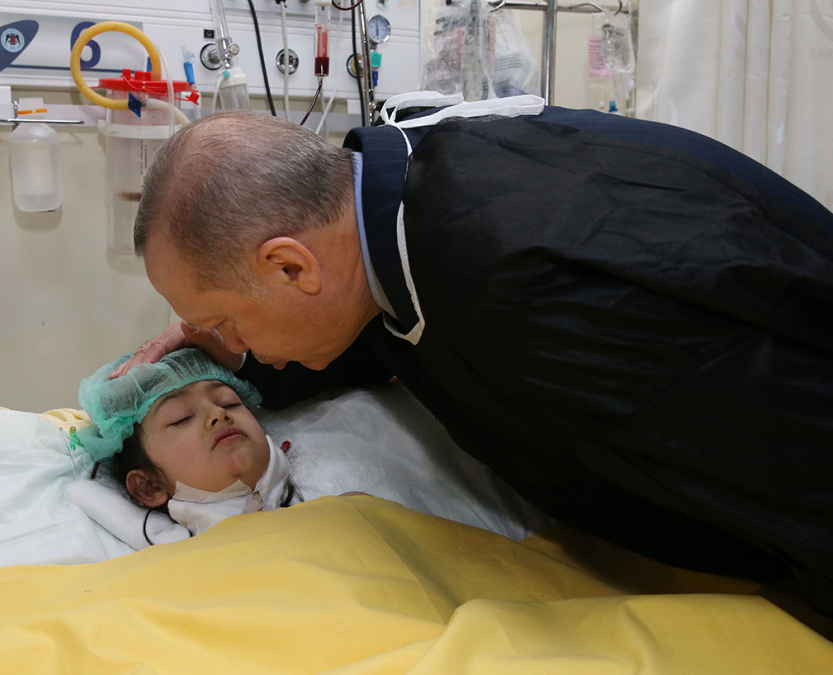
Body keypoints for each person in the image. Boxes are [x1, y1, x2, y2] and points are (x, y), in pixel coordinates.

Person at [114, 100, 833, 614]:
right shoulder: (391, 185)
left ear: (291, 267)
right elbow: (377, 324)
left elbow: (797, 472)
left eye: (227, 322)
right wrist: (235, 362)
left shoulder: (532, 297)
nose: (233, 345)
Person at [73, 347, 295, 541]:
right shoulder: (171, 562)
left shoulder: (317, 511)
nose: (218, 413)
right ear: (149, 487)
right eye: (181, 418)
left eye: (229, 403)